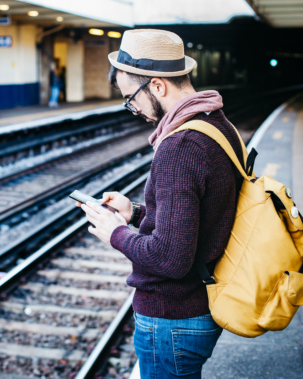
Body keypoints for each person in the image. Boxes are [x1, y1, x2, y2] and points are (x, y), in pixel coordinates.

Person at [77, 29, 244, 378]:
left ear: (157, 85)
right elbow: (203, 214)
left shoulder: (179, 147)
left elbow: (169, 258)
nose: (132, 108)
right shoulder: (217, 124)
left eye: (130, 98)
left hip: (173, 316)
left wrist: (115, 232)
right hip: (198, 305)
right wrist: (135, 213)